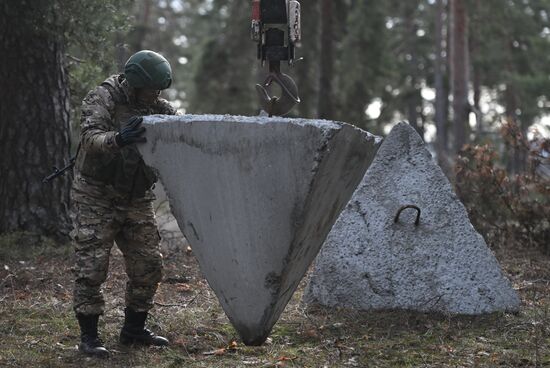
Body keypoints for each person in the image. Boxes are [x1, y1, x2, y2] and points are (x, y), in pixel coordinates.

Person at [70, 50, 177, 358]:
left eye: (159, 90)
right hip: (96, 195)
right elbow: (90, 137)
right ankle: (89, 337)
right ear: (135, 83)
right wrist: (118, 139)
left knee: (148, 266)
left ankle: (133, 331)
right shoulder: (103, 97)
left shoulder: (158, 107)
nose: (156, 95)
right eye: (151, 89)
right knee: (91, 268)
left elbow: (182, 133)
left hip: (136, 197)